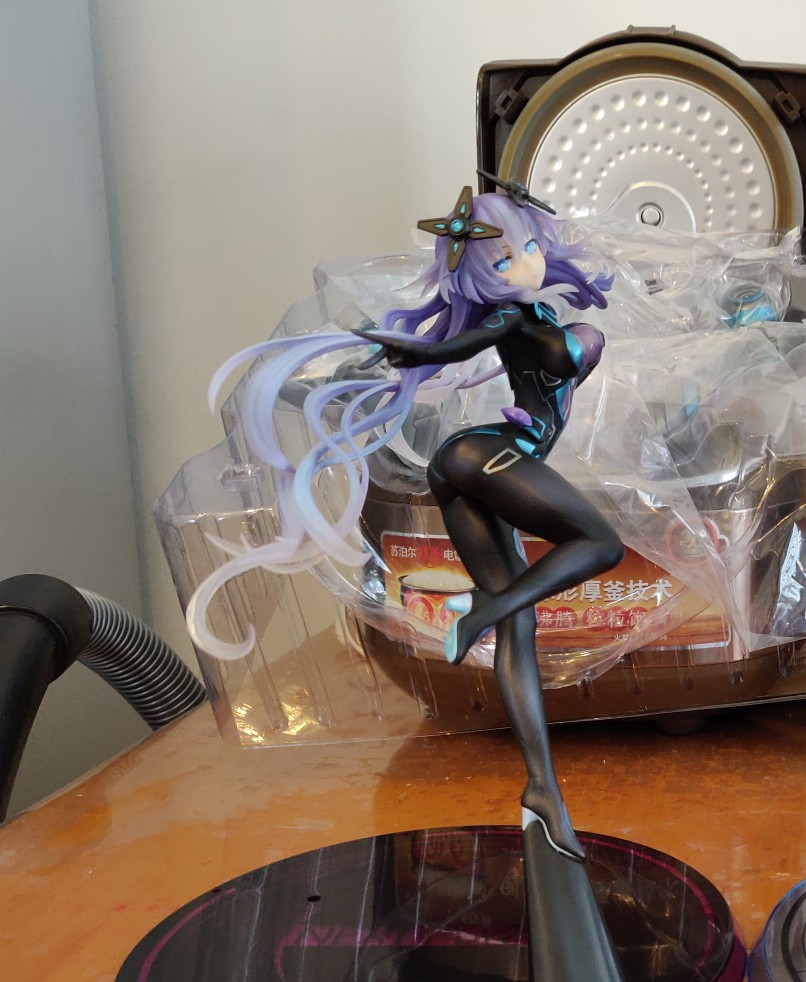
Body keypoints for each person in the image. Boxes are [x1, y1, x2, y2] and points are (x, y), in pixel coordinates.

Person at [188, 183, 617, 862]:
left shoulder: (538, 312)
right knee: (600, 544)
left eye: (531, 246)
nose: (528, 262)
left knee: (521, 627)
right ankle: (482, 609)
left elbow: (548, 344)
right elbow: (469, 340)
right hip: (483, 456)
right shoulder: (512, 319)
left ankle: (542, 791)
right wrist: (414, 354)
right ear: (480, 272)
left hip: (469, 466)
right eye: (506, 258)